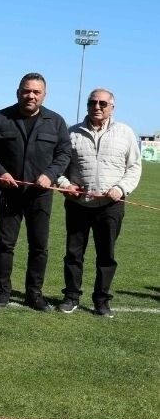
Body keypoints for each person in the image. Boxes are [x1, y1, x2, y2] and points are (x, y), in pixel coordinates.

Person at [0, 73, 70, 311]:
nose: (31, 96)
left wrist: (49, 174)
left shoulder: (56, 121)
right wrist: (0, 173)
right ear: (18, 92)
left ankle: (34, 293)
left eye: (36, 92)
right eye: (26, 91)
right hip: (8, 193)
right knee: (6, 243)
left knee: (39, 246)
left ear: (44, 95)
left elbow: (64, 154)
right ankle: (2, 292)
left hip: (40, 195)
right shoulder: (0, 118)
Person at [56, 88, 141, 318]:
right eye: (92, 102)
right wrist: (66, 185)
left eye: (103, 103)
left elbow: (134, 167)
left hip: (111, 206)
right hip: (78, 204)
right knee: (73, 254)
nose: (97, 107)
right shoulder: (72, 133)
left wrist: (120, 189)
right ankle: (71, 297)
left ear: (112, 107)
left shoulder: (125, 133)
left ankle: (102, 301)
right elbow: (60, 167)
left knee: (106, 256)